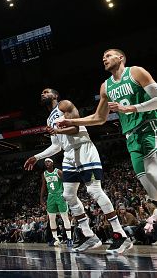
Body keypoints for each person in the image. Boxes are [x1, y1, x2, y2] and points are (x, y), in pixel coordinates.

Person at [25, 88, 133, 254]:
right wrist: (37, 157)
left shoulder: (64, 105)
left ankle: (121, 235)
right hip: (69, 154)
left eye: (46, 92)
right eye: (41, 93)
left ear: (55, 95)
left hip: (83, 148)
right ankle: (89, 236)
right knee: (68, 195)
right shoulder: (49, 119)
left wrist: (58, 130)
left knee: (94, 190)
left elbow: (75, 128)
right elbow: (56, 146)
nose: (43, 94)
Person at [58, 49, 157, 201]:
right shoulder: (105, 86)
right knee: (150, 188)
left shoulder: (136, 72)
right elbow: (99, 118)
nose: (104, 59)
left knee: (152, 173)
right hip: (131, 137)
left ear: (121, 58)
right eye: (103, 57)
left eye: (109, 55)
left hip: (148, 127)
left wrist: (132, 108)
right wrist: (72, 121)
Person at [38, 158, 72, 247]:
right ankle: (55, 238)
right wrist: (41, 198)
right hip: (51, 196)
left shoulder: (58, 172)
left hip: (60, 195)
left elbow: (66, 183)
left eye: (48, 161)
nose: (47, 163)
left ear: (52, 163)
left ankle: (69, 238)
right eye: (45, 162)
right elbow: (43, 186)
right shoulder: (44, 174)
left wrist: (66, 194)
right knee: (51, 218)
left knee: (64, 217)